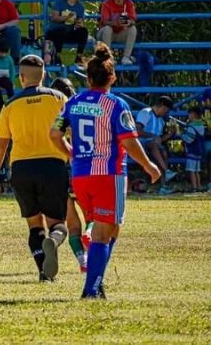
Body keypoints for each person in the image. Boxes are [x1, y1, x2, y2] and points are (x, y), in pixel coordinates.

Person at [50, 43, 161, 298]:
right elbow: (129, 141)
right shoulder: (116, 105)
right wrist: (148, 165)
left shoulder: (72, 103)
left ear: (88, 78)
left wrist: (72, 153)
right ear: (112, 78)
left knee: (110, 228)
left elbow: (54, 134)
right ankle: (91, 290)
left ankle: (96, 279)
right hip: (109, 175)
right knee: (104, 233)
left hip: (80, 175)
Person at [0, 54, 70, 282]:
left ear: (21, 77)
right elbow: (70, 134)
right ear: (44, 75)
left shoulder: (10, 104)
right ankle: (54, 240)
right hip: (53, 166)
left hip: (21, 169)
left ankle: (44, 271)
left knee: (34, 225)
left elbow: (0, 144)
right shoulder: (59, 98)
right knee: (58, 224)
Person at [48, 77, 88, 273]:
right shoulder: (80, 109)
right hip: (83, 168)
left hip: (59, 171)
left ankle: (83, 261)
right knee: (92, 217)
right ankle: (90, 237)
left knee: (72, 223)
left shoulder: (53, 114)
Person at [135, 96, 177, 195]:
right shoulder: (146, 113)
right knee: (154, 145)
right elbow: (137, 131)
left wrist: (170, 134)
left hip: (154, 147)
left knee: (163, 152)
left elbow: (159, 140)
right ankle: (166, 172)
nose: (166, 113)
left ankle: (164, 185)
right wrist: (153, 136)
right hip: (141, 144)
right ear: (162, 106)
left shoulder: (161, 120)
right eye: (166, 110)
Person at [45, 0, 89, 66]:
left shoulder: (80, 7)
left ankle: (79, 56)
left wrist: (78, 23)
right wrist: (67, 17)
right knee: (61, 29)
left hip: (71, 32)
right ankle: (57, 55)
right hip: (57, 32)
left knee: (84, 31)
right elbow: (54, 18)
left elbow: (80, 22)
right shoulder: (60, 2)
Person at [99, 0, 138, 65]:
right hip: (105, 34)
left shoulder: (129, 3)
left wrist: (128, 22)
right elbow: (104, 21)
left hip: (120, 33)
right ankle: (107, 58)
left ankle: (126, 57)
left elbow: (133, 20)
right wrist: (117, 23)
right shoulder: (107, 3)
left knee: (133, 29)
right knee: (107, 29)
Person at [183, 106, 206, 192]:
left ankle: (194, 187)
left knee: (191, 170)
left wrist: (182, 135)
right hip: (199, 151)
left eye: (189, 114)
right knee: (197, 171)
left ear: (193, 114)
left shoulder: (191, 127)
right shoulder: (201, 125)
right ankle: (199, 185)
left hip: (192, 151)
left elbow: (189, 139)